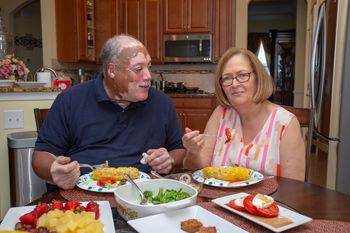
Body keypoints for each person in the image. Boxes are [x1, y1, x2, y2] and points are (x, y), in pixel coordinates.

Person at [32, 34, 186, 191]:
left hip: (145, 196)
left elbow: (180, 149)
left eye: (149, 67)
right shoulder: (70, 100)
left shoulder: (162, 102)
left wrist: (170, 160)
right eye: (138, 69)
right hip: (81, 199)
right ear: (112, 70)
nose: (148, 76)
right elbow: (41, 156)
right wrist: (54, 170)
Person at [182, 47, 305, 181]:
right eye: (227, 78)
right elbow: (197, 167)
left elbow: (294, 188)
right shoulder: (221, 114)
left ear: (257, 77)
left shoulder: (286, 124)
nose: (234, 84)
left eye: (242, 75)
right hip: (219, 200)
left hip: (266, 201)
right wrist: (193, 152)